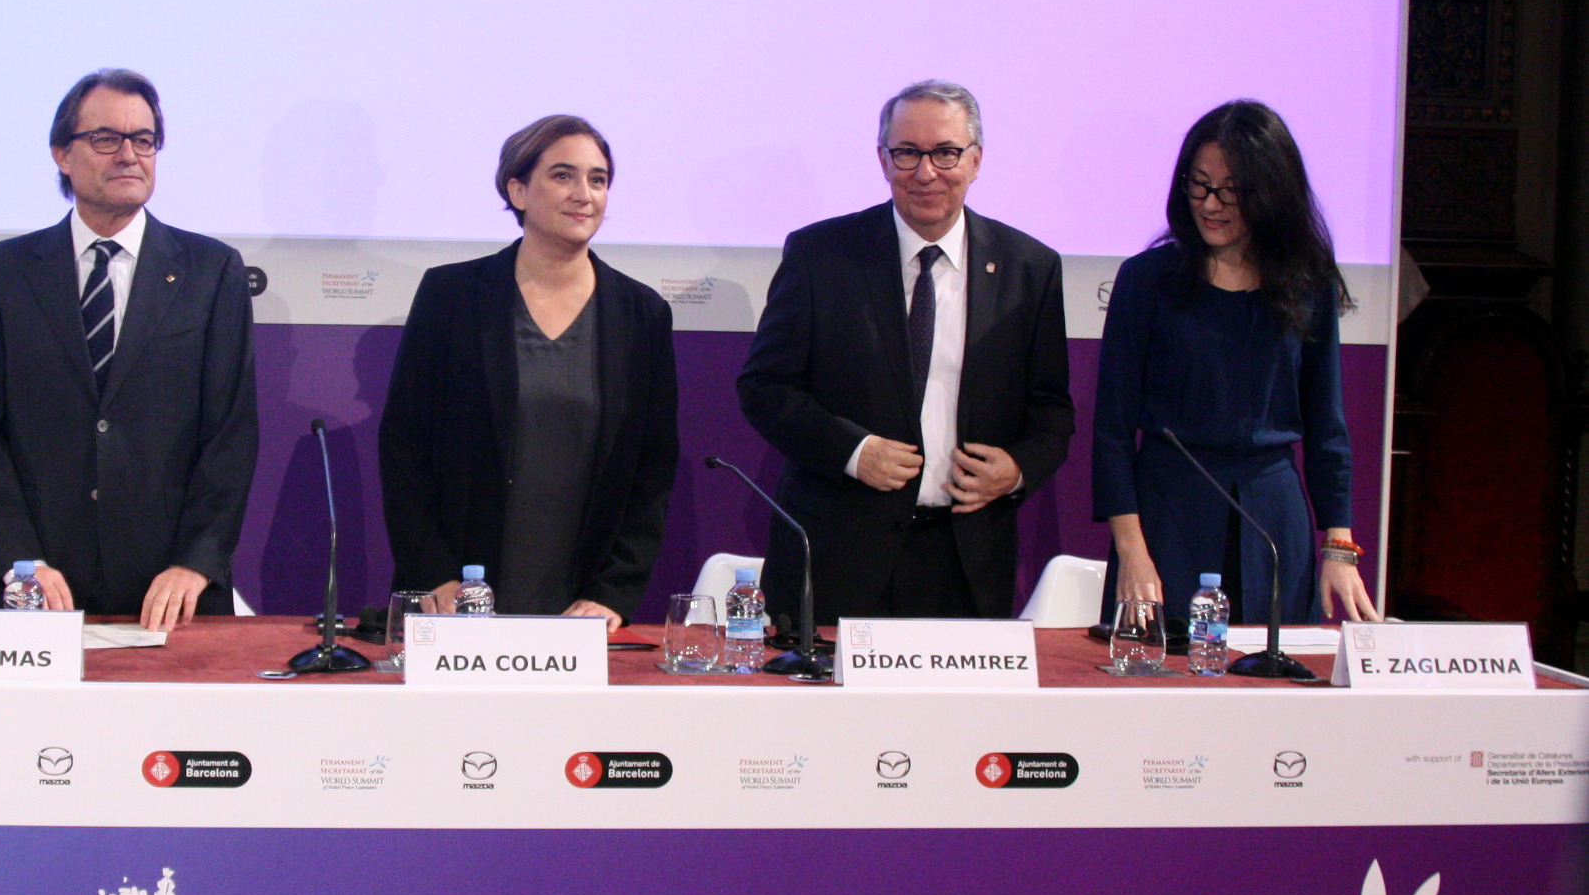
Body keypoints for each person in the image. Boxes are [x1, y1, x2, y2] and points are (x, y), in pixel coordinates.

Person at [736, 80, 1074, 621]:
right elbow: (764, 387)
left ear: (976, 159)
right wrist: (852, 451)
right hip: (839, 554)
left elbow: (1052, 410)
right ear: (882, 158)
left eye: (945, 153)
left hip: (966, 560)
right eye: (907, 153)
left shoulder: (1028, 268)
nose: (925, 172)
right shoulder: (821, 255)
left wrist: (1015, 469)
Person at [0, 69, 258, 629]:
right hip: (39, 587)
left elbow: (230, 436)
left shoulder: (211, 271)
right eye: (105, 139)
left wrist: (195, 563)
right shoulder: (4, 272)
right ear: (61, 154)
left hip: (170, 593)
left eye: (143, 140)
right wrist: (20, 562)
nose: (128, 155)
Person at [379, 115, 678, 624]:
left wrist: (614, 593)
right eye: (563, 176)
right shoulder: (452, 296)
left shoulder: (641, 313)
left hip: (582, 605)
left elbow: (652, 469)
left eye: (598, 179)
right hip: (457, 598)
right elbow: (405, 446)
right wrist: (437, 575)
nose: (584, 194)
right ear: (517, 190)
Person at [1093, 101, 1380, 627]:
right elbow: (1111, 431)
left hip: (1272, 518)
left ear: (1270, 193)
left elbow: (1327, 430)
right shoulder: (1146, 281)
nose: (1210, 203)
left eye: (1231, 190)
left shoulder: (1305, 284)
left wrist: (1338, 549)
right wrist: (1132, 552)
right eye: (1198, 184)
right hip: (1169, 517)